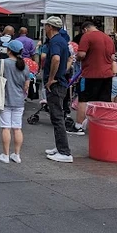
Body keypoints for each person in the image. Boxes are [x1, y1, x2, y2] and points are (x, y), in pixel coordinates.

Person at [0, 39, 30, 164]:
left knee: (6, 128)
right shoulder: (25, 65)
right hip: (19, 101)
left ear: (9, 51)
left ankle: (5, 155)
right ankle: (17, 154)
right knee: (17, 128)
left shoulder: (3, 63)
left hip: (5, 100)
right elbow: (26, 85)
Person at [73, 20, 116, 135]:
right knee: (103, 101)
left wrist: (77, 57)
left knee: (83, 99)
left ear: (85, 29)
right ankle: (102, 126)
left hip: (90, 74)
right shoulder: (108, 38)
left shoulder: (87, 36)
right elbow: (112, 57)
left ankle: (79, 126)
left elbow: (82, 54)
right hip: (107, 75)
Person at [42, 16, 73, 163]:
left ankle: (64, 151)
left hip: (56, 84)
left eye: (46, 25)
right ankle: (60, 147)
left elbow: (56, 59)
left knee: (57, 117)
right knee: (57, 116)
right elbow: (69, 59)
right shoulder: (62, 41)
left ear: (50, 27)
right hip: (61, 81)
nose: (44, 28)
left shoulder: (55, 42)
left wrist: (51, 78)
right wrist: (62, 72)